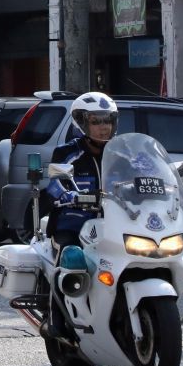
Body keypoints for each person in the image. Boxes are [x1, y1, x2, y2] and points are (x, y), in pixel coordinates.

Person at [41, 92, 118, 340]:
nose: (103, 127)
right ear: (81, 122)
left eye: (107, 120)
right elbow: (54, 184)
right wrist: (66, 195)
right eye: (96, 121)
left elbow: (142, 176)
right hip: (74, 222)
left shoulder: (122, 154)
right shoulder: (67, 153)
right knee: (70, 256)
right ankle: (56, 319)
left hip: (114, 223)